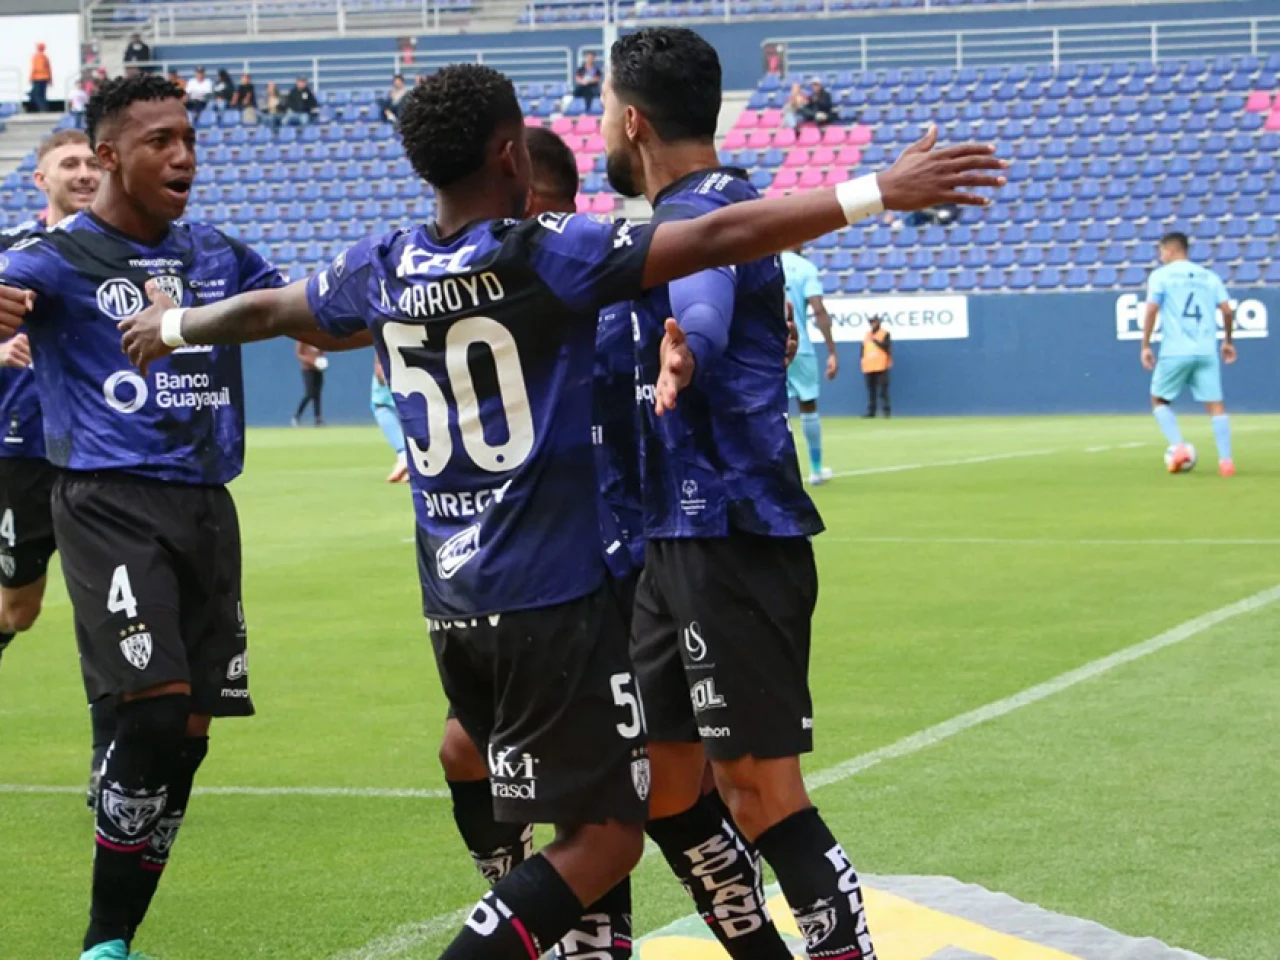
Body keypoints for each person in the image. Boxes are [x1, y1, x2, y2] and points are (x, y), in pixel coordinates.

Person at [112, 61, 1001, 960]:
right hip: (555, 596)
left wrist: (173, 327)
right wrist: (877, 192)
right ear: (509, 155)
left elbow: (273, 310)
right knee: (606, 839)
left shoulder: (382, 263)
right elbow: (716, 236)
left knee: (605, 805)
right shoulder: (546, 255)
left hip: (453, 599)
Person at [598, 28, 996, 960]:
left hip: (731, 532)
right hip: (672, 537)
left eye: (608, 111)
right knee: (666, 786)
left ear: (633, 120)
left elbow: (700, 300)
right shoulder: (694, 212)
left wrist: (688, 350)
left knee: (761, 792)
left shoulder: (706, 211)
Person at [0, 74, 364, 960]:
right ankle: (103, 939)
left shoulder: (216, 253)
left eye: (189, 139)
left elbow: (313, 315)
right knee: (156, 715)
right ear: (109, 155)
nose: (184, 156)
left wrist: (382, 308)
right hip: (108, 501)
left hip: (206, 505)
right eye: (160, 141)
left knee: (190, 734)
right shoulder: (54, 258)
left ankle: (118, 935)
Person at [0, 130, 113, 806]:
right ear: (40, 180)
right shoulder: (12, 253)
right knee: (19, 608)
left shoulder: (124, 252)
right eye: (68, 164)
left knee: (107, 611)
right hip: (24, 452)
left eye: (92, 163)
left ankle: (109, 760)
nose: (84, 172)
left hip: (105, 454)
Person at [1140, 231, 1236, 476]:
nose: (1161, 257)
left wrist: (1145, 345)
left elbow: (1151, 310)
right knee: (1215, 406)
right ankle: (1226, 462)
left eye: (1161, 252)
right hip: (1206, 350)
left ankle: (1179, 447)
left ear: (1171, 250)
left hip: (1175, 350)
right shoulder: (1209, 276)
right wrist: (1227, 341)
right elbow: (1227, 310)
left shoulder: (1160, 276)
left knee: (1159, 400)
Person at [782, 244, 838, 484]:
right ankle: (815, 470)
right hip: (799, 345)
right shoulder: (805, 268)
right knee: (808, 405)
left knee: (775, 410)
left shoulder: (763, 263)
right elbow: (819, 311)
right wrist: (832, 351)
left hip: (768, 348)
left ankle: (780, 473)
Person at [371, 357, 408, 482]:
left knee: (381, 406)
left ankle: (404, 455)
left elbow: (380, 359)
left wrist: (380, 372)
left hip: (394, 373)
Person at [861, 313, 891, 418]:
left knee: (883, 391)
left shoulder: (885, 334)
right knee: (871, 391)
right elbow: (863, 350)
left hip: (881, 366)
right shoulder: (867, 335)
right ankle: (871, 412)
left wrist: (875, 341)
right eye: (871, 322)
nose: (873, 324)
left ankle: (886, 412)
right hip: (869, 367)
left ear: (879, 322)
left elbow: (887, 347)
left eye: (875, 322)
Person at [292, 341, 325, 426]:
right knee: (309, 393)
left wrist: (322, 361)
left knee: (317, 393)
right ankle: (296, 417)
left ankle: (318, 419)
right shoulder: (302, 340)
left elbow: (321, 352)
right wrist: (311, 361)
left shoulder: (318, 339)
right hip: (307, 369)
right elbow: (299, 354)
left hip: (318, 369)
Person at [29, 43, 52, 113]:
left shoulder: (36, 57)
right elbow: (49, 69)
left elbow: (35, 68)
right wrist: (50, 79)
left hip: (37, 78)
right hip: (45, 78)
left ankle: (43, 109)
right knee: (42, 94)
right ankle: (44, 108)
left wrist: (31, 77)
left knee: (37, 95)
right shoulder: (45, 57)